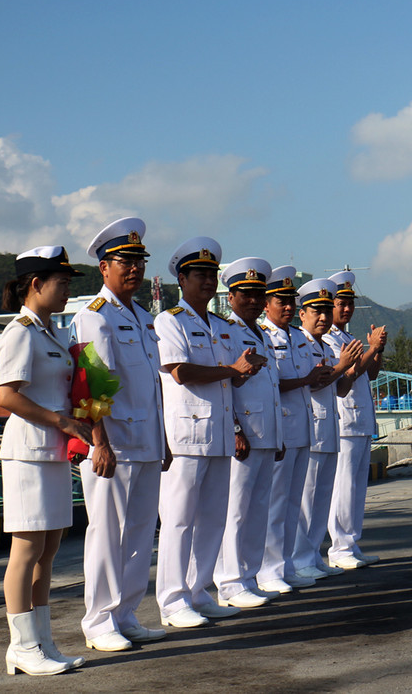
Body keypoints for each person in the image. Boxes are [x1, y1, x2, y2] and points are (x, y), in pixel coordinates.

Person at [71, 217, 170, 652]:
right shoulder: (95, 318)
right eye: (124, 261)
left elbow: (153, 386)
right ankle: (98, 621)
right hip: (113, 444)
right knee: (108, 533)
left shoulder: (145, 318)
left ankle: (126, 613)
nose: (133, 268)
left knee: (140, 531)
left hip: (146, 440)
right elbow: (91, 382)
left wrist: (163, 438)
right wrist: (99, 440)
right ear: (103, 267)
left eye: (138, 261)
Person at [154, 237, 263, 628]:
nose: (207, 280)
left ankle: (198, 592)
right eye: (199, 274)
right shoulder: (170, 321)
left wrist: (245, 368)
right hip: (185, 436)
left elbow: (230, 380)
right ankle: (171, 600)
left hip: (218, 432)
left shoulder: (221, 326)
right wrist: (233, 370)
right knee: (179, 521)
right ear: (181, 279)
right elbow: (181, 372)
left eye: (212, 274)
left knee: (214, 518)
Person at [0, 245, 90, 675]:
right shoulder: (19, 332)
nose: (68, 290)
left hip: (51, 451)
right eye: (63, 283)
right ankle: (21, 645)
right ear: (36, 285)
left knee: (49, 549)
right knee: (27, 549)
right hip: (28, 452)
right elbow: (7, 395)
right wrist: (61, 420)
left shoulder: (54, 333)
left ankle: (42, 641)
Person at [214, 257, 284, 609]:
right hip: (244, 432)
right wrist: (235, 429)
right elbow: (227, 384)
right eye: (247, 294)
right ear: (231, 297)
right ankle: (229, 580)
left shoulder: (263, 334)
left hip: (266, 431)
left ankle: (249, 575)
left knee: (258, 508)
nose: (255, 301)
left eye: (259, 294)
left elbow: (270, 387)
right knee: (236, 510)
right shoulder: (225, 331)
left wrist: (278, 433)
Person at [259, 266, 329, 593]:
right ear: (266, 304)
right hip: (281, 427)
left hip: (303, 426)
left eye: (290, 300)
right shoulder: (263, 336)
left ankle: (285, 564)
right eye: (280, 300)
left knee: (291, 503)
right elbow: (274, 382)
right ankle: (268, 569)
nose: (287, 306)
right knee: (274, 503)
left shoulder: (299, 337)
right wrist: (306, 380)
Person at [292, 279, 365, 578]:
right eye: (317, 310)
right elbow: (314, 381)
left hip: (328, 427)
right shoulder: (300, 343)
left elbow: (340, 387)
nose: (323, 316)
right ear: (303, 314)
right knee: (305, 500)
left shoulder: (323, 345)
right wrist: (341, 365)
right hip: (309, 428)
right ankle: (299, 559)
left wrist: (348, 368)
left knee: (321, 497)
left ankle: (312, 556)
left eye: (326, 309)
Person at [323, 270, 386, 570]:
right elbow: (347, 371)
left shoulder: (348, 337)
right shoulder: (328, 339)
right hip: (344, 419)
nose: (346, 308)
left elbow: (370, 373)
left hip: (361, 419)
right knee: (344, 486)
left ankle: (351, 541)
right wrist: (370, 348)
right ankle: (339, 547)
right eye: (340, 303)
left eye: (349, 302)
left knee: (358, 486)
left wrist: (378, 350)